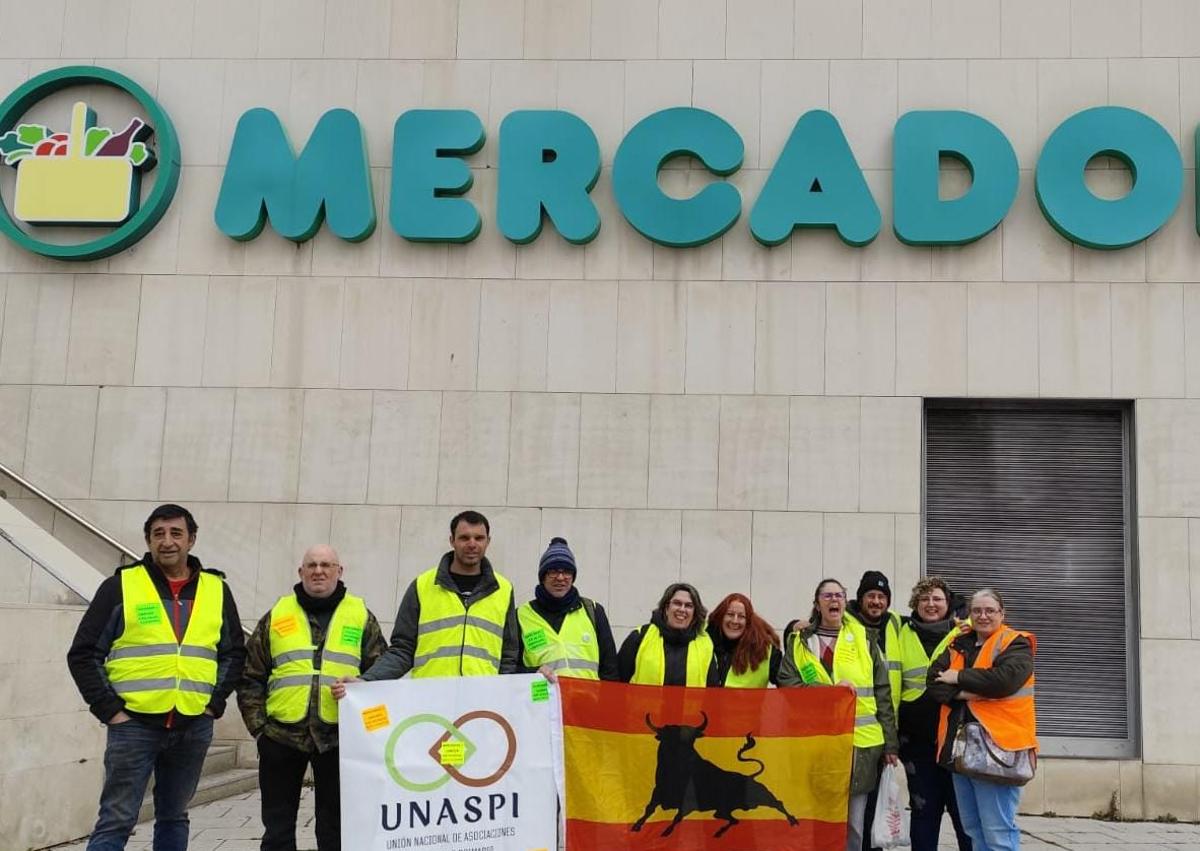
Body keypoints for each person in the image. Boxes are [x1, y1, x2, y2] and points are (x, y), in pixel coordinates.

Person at [66, 504, 245, 851]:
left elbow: (234, 653)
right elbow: (84, 653)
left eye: (176, 533)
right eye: (158, 534)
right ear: (148, 540)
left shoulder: (216, 590)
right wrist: (110, 711)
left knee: (174, 816)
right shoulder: (120, 586)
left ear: (191, 540)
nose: (167, 542)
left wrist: (213, 704)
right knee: (116, 820)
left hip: (192, 724)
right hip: (134, 725)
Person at [238, 545, 386, 851]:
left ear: (339, 571)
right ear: (301, 572)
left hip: (339, 740)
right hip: (281, 737)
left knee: (336, 830)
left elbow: (380, 676)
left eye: (326, 565)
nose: (319, 571)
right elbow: (250, 674)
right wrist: (259, 729)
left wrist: (369, 725)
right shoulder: (278, 614)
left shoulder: (360, 616)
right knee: (277, 831)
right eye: (312, 565)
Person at [333, 510, 520, 692]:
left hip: (481, 704)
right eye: (464, 538)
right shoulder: (422, 586)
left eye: (479, 538)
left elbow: (509, 656)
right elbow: (402, 650)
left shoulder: (504, 589)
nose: (472, 544)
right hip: (430, 702)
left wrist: (500, 695)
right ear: (452, 541)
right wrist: (366, 681)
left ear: (488, 541)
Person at [778, 578, 898, 851]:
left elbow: (882, 692)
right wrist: (830, 691)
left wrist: (890, 743)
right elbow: (787, 684)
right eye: (828, 596)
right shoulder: (799, 642)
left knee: (854, 823)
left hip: (861, 744)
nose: (834, 600)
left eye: (839, 596)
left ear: (846, 602)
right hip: (815, 742)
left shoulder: (865, 639)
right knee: (817, 816)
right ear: (817, 603)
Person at [928, 588, 1037, 851]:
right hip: (960, 750)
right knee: (973, 829)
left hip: (999, 750)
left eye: (990, 610)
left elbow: (1004, 681)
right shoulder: (958, 642)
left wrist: (958, 678)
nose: (983, 616)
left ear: (1002, 613)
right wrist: (972, 692)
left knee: (998, 832)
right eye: (977, 610)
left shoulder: (1015, 643)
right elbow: (934, 684)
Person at [896, 577, 972, 851]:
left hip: (957, 740)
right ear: (914, 604)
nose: (931, 604)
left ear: (948, 603)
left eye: (937, 599)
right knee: (924, 811)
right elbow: (864, 611)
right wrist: (797, 627)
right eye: (924, 599)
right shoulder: (899, 629)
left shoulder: (965, 633)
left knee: (964, 814)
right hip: (916, 741)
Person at [847, 570, 904, 851]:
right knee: (852, 810)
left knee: (872, 805)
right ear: (860, 599)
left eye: (882, 597)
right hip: (850, 734)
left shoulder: (896, 624)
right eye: (870, 595)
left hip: (880, 731)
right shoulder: (845, 625)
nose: (876, 602)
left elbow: (935, 618)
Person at [517, 537, 619, 681]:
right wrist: (533, 672)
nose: (560, 577)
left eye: (567, 571)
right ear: (542, 576)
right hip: (542, 701)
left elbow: (610, 669)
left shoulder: (593, 611)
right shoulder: (521, 615)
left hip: (586, 702)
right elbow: (510, 668)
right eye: (552, 571)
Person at [617, 582, 719, 686]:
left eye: (688, 606)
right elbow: (617, 682)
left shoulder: (705, 644)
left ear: (695, 613)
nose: (682, 609)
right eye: (677, 603)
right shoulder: (640, 636)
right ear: (666, 608)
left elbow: (712, 692)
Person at [707, 592, 782, 687]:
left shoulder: (765, 651)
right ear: (721, 616)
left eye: (741, 616)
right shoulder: (703, 641)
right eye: (730, 614)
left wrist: (792, 630)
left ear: (748, 622)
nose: (735, 621)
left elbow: (789, 683)